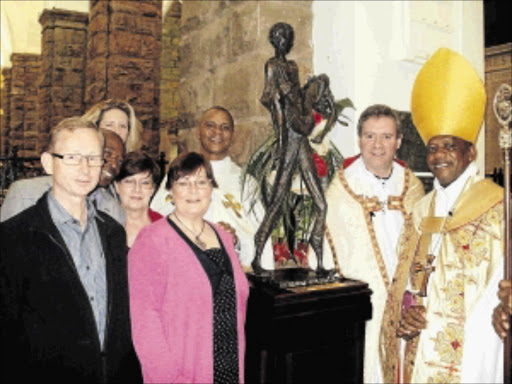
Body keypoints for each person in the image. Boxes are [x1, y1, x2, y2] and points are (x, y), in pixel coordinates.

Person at [0, 117, 142, 383]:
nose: (85, 168)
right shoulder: (13, 237)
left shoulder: (112, 232)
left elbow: (121, 322)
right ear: (47, 162)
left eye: (92, 158)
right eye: (73, 157)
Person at [394, 48, 504, 383]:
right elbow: (407, 282)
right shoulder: (419, 210)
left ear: (470, 152)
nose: (439, 155)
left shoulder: (498, 207)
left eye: (449, 146)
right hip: (422, 348)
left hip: (476, 349)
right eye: (432, 147)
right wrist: (406, 312)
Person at [322, 104, 424, 383]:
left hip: (408, 301)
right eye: (369, 136)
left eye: (386, 137)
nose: (377, 145)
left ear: (399, 142)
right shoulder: (341, 189)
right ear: (359, 140)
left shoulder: (412, 186)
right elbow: (327, 254)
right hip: (364, 306)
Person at [129, 151, 249, 383]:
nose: (193, 190)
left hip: (229, 370)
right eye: (183, 183)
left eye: (201, 182)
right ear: (170, 191)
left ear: (212, 188)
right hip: (182, 375)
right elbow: (145, 325)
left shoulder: (224, 237)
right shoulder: (152, 240)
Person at [252, 22, 336, 275]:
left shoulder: (292, 67)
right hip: (288, 139)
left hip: (300, 138)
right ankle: (258, 255)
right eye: (278, 36)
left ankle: (319, 258)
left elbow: (300, 101)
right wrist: (280, 140)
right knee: (277, 201)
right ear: (272, 39)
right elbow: (270, 99)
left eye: (286, 36)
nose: (283, 40)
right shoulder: (273, 66)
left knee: (321, 203)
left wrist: (311, 102)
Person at [151, 106, 274, 269]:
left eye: (225, 127)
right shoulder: (178, 173)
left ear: (232, 135)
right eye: (210, 125)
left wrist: (235, 238)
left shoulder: (246, 182)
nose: (217, 132)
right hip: (181, 268)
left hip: (229, 274)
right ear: (197, 132)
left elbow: (260, 236)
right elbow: (156, 220)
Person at [0, 129, 126, 224]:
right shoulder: (25, 193)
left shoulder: (113, 209)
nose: (114, 164)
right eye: (107, 153)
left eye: (120, 161)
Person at [114, 151, 162, 247]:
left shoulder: (164, 227)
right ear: (117, 186)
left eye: (144, 183)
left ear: (153, 189)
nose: (137, 189)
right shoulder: (104, 225)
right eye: (129, 182)